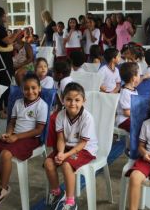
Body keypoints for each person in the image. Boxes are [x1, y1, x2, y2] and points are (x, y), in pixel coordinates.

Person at [0, 74, 48, 209]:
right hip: (15, 136)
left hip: (30, 139)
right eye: (26, 89)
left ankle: (3, 187)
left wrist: (17, 137)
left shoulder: (42, 105)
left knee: (5, 154)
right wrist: (8, 133)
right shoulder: (18, 103)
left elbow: (38, 130)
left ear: (40, 88)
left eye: (33, 88)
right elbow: (12, 122)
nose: (30, 91)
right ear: (21, 90)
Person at [44, 82, 97, 210]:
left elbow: (82, 143)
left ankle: (70, 201)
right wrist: (61, 152)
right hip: (67, 147)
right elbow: (61, 138)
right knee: (48, 163)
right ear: (62, 100)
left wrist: (65, 156)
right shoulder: (60, 116)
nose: (73, 103)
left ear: (84, 100)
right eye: (68, 99)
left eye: (77, 100)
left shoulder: (87, 118)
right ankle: (57, 192)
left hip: (85, 149)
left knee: (67, 165)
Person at [0, 6, 23, 119]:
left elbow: (7, 40)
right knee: (5, 84)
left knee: (6, 83)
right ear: (0, 16)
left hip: (2, 58)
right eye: (4, 15)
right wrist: (17, 34)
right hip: (2, 58)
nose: (6, 16)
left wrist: (14, 34)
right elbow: (8, 41)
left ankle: (6, 107)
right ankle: (1, 109)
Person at [116, 62, 140, 132]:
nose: (140, 75)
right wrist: (138, 116)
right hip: (123, 120)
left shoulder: (134, 90)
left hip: (130, 118)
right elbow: (126, 112)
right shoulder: (125, 92)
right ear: (133, 78)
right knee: (139, 128)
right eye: (138, 74)